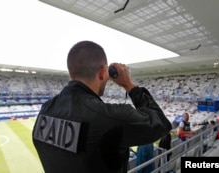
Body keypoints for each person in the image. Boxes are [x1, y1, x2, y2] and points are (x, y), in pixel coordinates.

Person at [32, 40, 172, 173]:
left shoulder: (46, 110)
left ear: (71, 71)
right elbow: (161, 124)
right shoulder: (109, 117)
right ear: (103, 72)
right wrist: (129, 85)